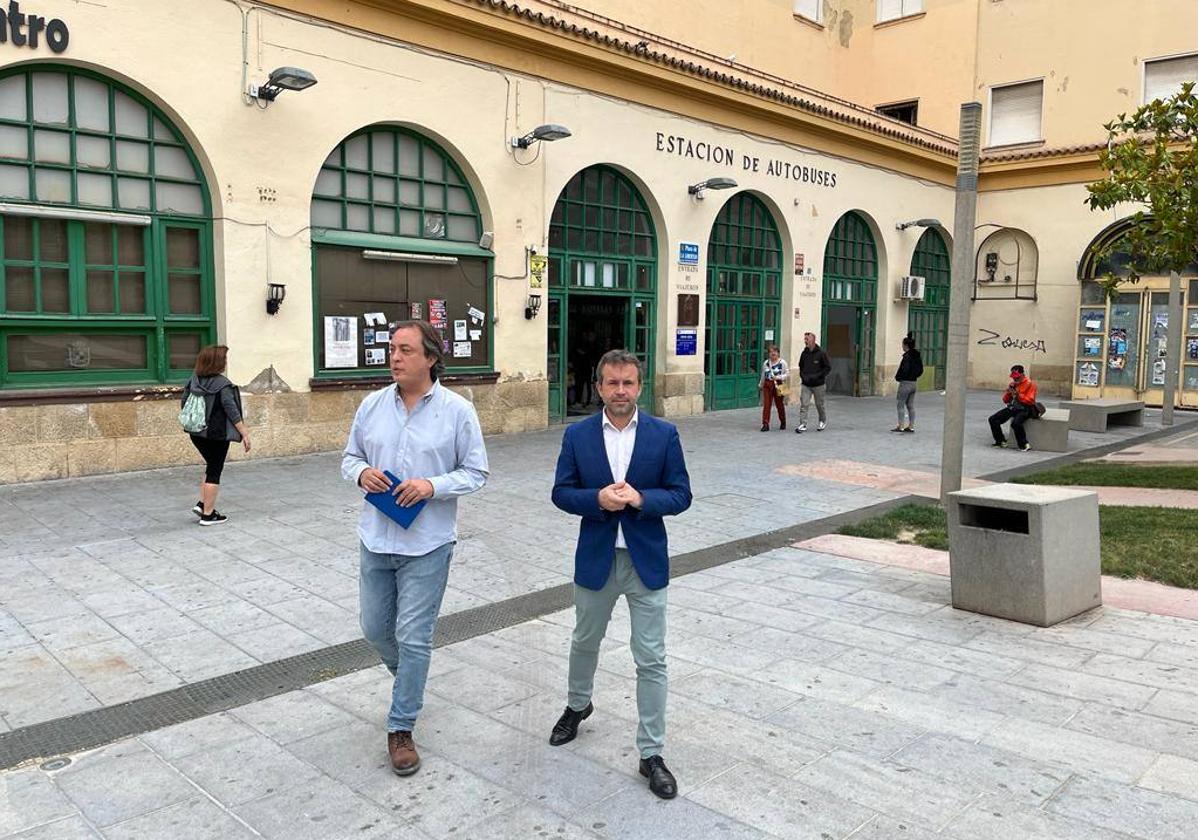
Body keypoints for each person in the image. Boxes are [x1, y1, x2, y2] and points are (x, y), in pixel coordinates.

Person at [342, 320, 489, 777]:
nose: (395, 356)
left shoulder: (457, 411)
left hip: (428, 543)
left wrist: (431, 485)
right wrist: (361, 474)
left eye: (405, 349)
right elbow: (350, 458)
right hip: (376, 537)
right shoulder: (371, 406)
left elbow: (476, 473)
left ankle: (401, 726)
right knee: (374, 629)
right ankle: (412, 681)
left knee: (413, 636)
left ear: (430, 357)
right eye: (392, 348)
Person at [549, 348, 692, 800]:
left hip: (645, 561)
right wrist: (597, 499)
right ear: (598, 387)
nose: (620, 391)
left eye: (628, 383)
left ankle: (651, 753)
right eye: (612, 383)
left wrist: (639, 500)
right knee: (583, 641)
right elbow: (560, 492)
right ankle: (577, 705)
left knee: (651, 658)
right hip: (597, 559)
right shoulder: (577, 436)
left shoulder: (663, 435)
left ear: (639, 386)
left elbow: (681, 495)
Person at [182, 345, 250, 526]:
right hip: (216, 434)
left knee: (211, 465)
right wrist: (244, 433)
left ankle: (203, 504)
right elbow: (232, 410)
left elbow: (184, 403)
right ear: (216, 362)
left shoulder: (194, 380)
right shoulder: (223, 385)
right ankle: (208, 515)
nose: (226, 362)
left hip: (196, 432)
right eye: (224, 359)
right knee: (215, 470)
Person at [988, 364, 1038, 451]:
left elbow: (1030, 401)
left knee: (1016, 423)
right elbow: (1005, 400)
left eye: (1017, 377)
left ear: (1022, 374)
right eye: (1014, 377)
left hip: (1026, 408)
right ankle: (1001, 441)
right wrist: (1009, 392)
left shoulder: (1031, 384)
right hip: (1014, 407)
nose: (1015, 379)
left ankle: (1024, 444)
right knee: (993, 419)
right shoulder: (1013, 384)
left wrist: (1018, 395)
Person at [794, 331, 831, 433]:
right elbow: (801, 366)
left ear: (813, 340)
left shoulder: (821, 353)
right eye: (805, 339)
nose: (805, 341)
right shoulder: (804, 353)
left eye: (807, 339)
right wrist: (803, 376)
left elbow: (827, 368)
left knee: (819, 404)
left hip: (818, 384)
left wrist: (818, 376)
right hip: (806, 384)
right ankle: (802, 424)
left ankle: (822, 421)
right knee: (804, 404)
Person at [893, 335, 924, 433]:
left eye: (903, 344)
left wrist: (899, 377)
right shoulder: (917, 356)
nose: (902, 346)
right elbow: (921, 370)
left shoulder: (907, 357)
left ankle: (901, 426)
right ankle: (911, 426)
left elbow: (904, 369)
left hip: (905, 383)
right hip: (914, 383)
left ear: (906, 345)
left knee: (900, 404)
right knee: (910, 405)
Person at [759, 344, 789, 431]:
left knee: (779, 405)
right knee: (767, 405)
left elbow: (787, 374)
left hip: (779, 384)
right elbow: (763, 375)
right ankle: (765, 424)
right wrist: (761, 384)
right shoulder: (766, 363)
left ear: (778, 353)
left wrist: (779, 377)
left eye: (775, 352)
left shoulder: (782, 363)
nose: (773, 354)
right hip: (768, 385)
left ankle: (783, 421)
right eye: (771, 352)